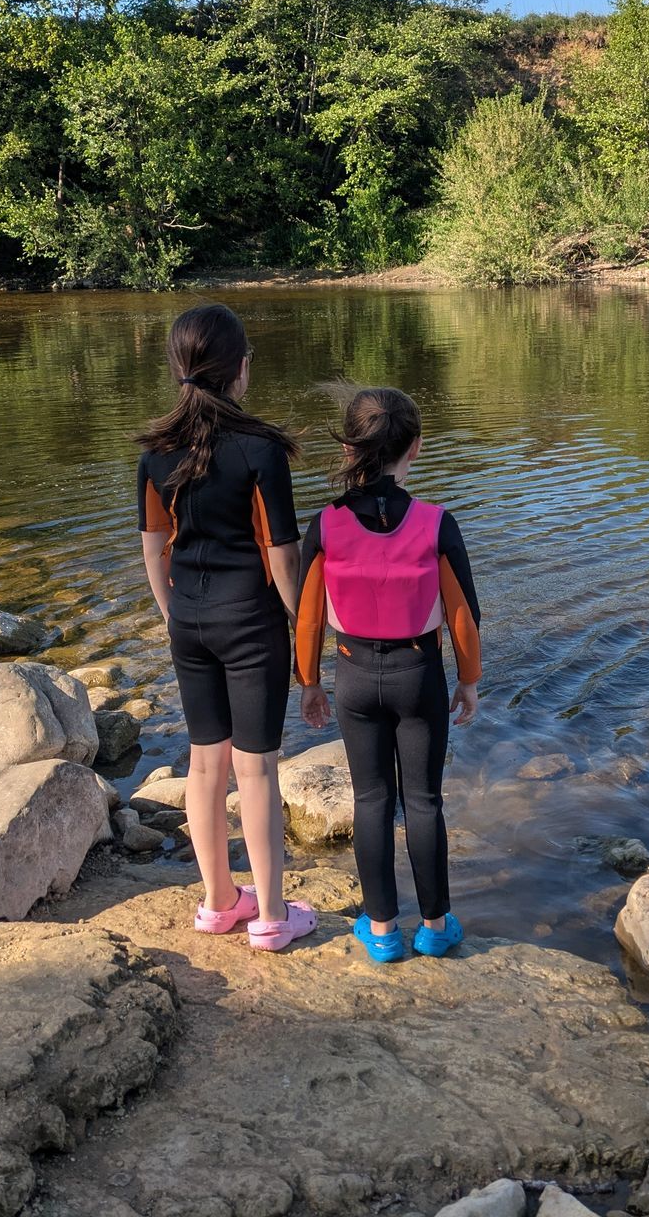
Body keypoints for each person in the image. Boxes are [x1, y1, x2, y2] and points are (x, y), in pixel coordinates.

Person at [136, 304, 316, 952]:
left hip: (189, 622)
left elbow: (155, 550)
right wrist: (304, 631)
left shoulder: (156, 453)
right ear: (240, 369)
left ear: (180, 369)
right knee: (258, 770)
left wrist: (173, 613)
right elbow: (283, 557)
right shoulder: (261, 449)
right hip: (251, 624)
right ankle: (271, 916)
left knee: (205, 765)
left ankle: (218, 903)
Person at [295, 386, 481, 964]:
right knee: (423, 801)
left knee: (371, 798)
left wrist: (308, 682)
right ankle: (435, 925)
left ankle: (380, 930)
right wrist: (468, 679)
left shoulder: (325, 524)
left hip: (352, 676)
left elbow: (305, 616)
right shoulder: (435, 523)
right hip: (418, 675)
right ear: (416, 449)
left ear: (350, 449)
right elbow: (463, 614)